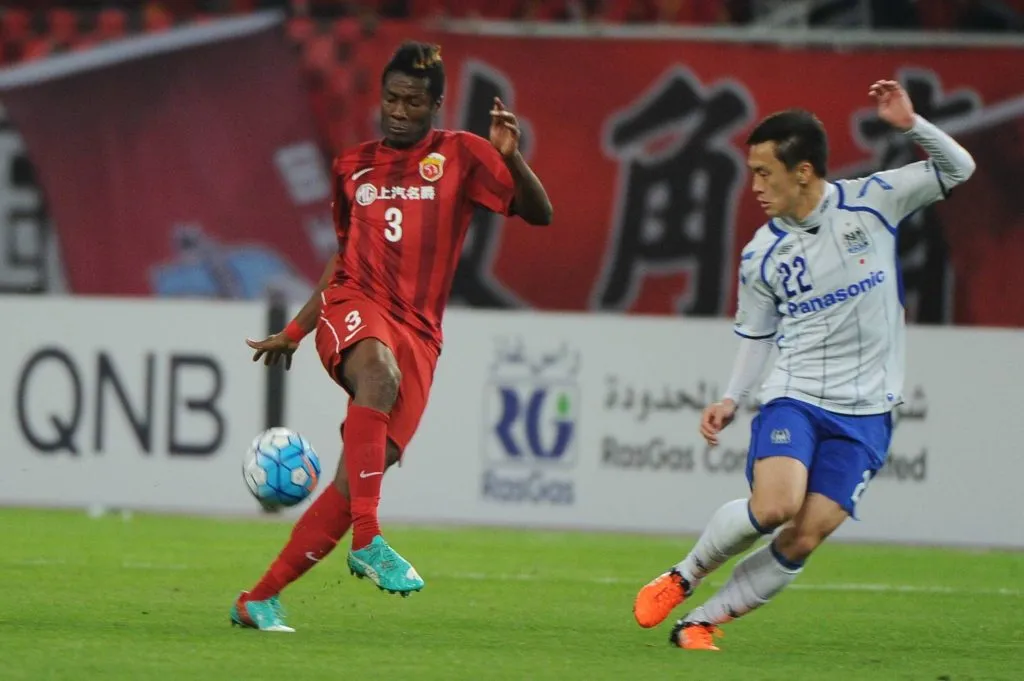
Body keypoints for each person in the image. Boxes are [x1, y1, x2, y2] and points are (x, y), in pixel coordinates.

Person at [633, 80, 975, 651]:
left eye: (766, 173)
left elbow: (957, 168)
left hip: (869, 412)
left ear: (804, 171)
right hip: (797, 395)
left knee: (805, 535)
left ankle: (700, 623)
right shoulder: (761, 254)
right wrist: (731, 398)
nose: (756, 186)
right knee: (775, 507)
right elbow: (757, 333)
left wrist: (911, 125)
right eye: (752, 172)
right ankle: (683, 575)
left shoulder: (874, 200)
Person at [231, 41, 553, 632]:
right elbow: (342, 260)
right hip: (355, 305)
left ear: (435, 106)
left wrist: (515, 160)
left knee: (357, 480)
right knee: (377, 374)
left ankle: (258, 598)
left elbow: (540, 214)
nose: (399, 111)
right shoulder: (351, 167)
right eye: (391, 99)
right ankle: (370, 541)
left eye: (413, 102)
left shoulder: (463, 155)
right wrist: (297, 329)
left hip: (421, 336)